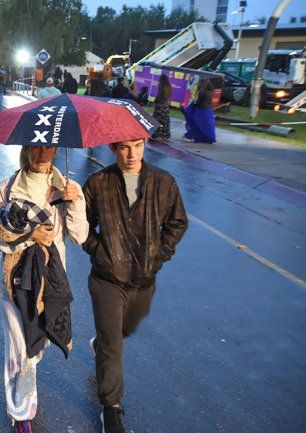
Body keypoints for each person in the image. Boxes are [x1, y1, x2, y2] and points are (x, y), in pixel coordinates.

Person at [82, 138, 188, 433]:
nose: (132, 154)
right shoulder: (97, 183)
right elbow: (82, 225)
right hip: (107, 277)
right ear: (114, 148)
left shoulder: (163, 183)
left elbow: (177, 222)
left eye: (138, 146)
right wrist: (98, 251)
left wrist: (159, 254)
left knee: (123, 331)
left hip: (144, 277)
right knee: (113, 344)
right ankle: (111, 409)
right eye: (125, 147)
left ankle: (100, 342)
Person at [0, 145, 88, 433]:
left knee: (36, 347)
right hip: (14, 284)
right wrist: (29, 236)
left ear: (56, 149)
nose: (42, 152)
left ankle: (25, 388)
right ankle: (21, 413)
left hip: (50, 285)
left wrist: (76, 200)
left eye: (49, 145)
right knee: (20, 351)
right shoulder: (6, 189)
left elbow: (79, 236)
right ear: (26, 148)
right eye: (36, 145)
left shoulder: (66, 189)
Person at [182, 79, 216, 143]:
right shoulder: (211, 90)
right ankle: (206, 137)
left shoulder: (203, 91)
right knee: (207, 126)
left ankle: (192, 135)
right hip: (208, 110)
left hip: (202, 110)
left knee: (195, 123)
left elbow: (198, 101)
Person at [152, 74, 172, 140]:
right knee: (165, 120)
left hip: (160, 104)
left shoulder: (160, 86)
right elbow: (169, 95)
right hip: (165, 105)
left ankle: (156, 134)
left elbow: (159, 95)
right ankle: (165, 134)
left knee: (157, 120)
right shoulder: (169, 86)